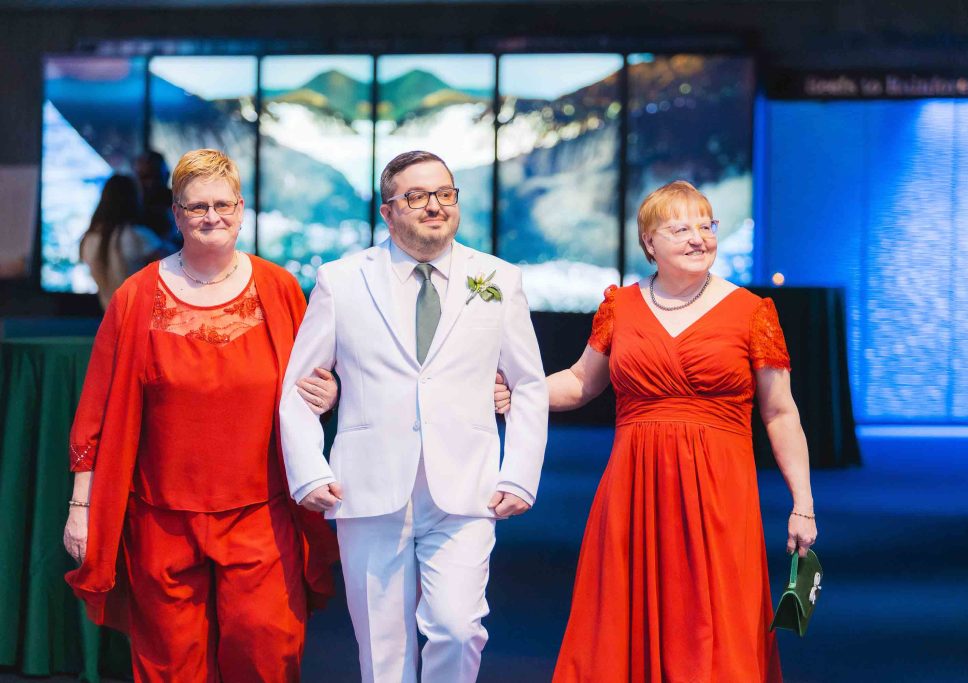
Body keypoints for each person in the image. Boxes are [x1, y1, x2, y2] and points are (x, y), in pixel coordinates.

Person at [62, 149, 341, 681]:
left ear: (241, 208)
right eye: (196, 207)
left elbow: (315, 378)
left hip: (261, 512)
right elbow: (96, 408)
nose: (211, 217)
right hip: (161, 516)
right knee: (169, 666)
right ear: (176, 213)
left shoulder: (279, 289)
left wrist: (325, 396)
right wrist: (82, 505)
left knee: (268, 653)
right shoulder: (136, 296)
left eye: (222, 204)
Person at [279, 150, 548, 683]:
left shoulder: (498, 278)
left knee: (458, 627)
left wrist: (520, 473)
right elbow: (298, 386)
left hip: (467, 485)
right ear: (388, 210)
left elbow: (528, 385)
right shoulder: (342, 279)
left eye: (445, 194)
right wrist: (308, 469)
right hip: (369, 484)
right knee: (382, 650)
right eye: (418, 196)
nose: (434, 206)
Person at [547, 181, 817, 682]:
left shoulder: (752, 312)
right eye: (681, 228)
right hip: (633, 493)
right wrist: (517, 393)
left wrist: (802, 503)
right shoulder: (620, 308)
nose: (699, 238)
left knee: (718, 624)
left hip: (720, 497)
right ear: (649, 242)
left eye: (707, 226)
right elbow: (580, 383)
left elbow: (781, 413)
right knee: (623, 622)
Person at [79, 174, 175, 309]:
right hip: (141, 321)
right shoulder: (137, 236)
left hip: (111, 321)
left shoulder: (88, 239)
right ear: (133, 200)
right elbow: (178, 271)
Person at [134, 149, 177, 243]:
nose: (151, 182)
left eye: (156, 176)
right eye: (145, 177)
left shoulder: (179, 202)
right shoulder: (132, 205)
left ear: (167, 175)